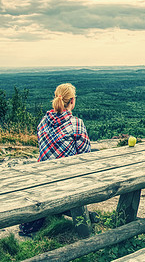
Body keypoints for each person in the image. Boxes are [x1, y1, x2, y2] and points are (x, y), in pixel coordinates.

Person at [19, 83, 93, 236]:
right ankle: (81, 222)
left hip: (43, 179)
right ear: (72, 101)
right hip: (67, 182)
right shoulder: (76, 124)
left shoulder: (43, 122)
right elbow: (86, 156)